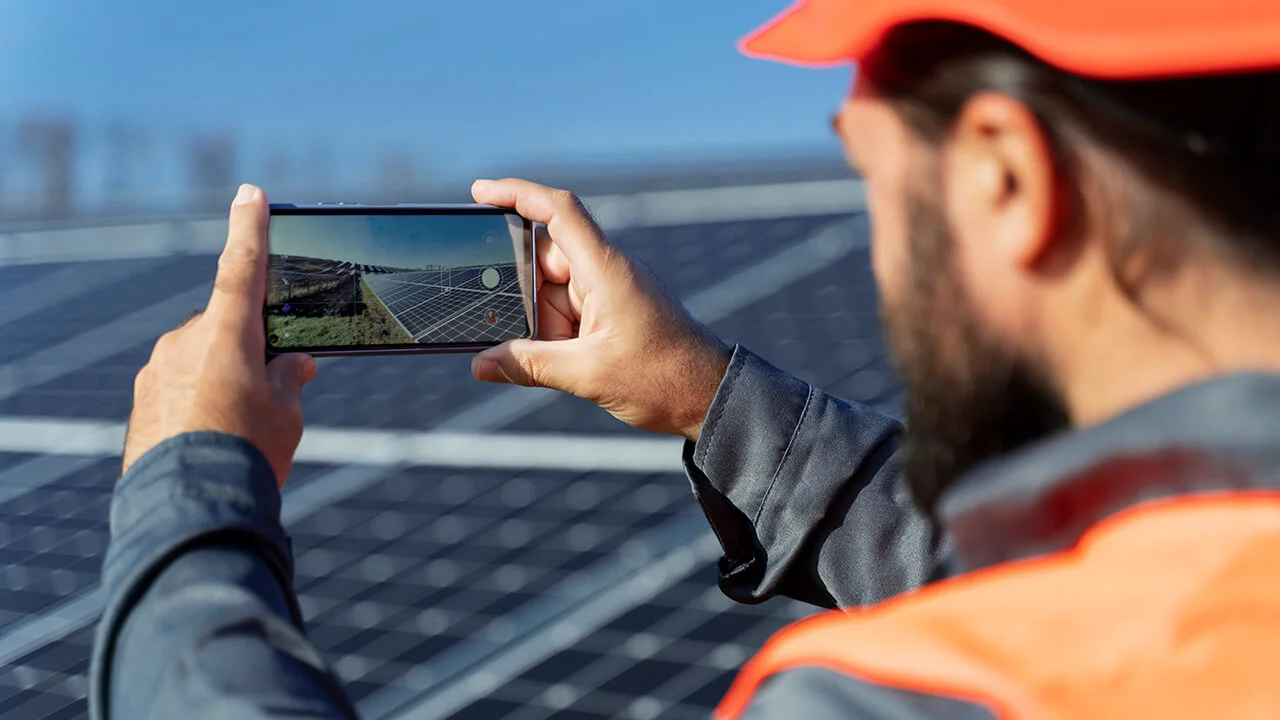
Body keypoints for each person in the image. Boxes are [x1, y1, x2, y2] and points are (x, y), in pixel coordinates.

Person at [89, 0, 1280, 716]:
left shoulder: (919, 699)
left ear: (1002, 178)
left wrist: (188, 495)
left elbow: (1047, 625)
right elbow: (1079, 586)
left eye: (865, 170)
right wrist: (710, 399)